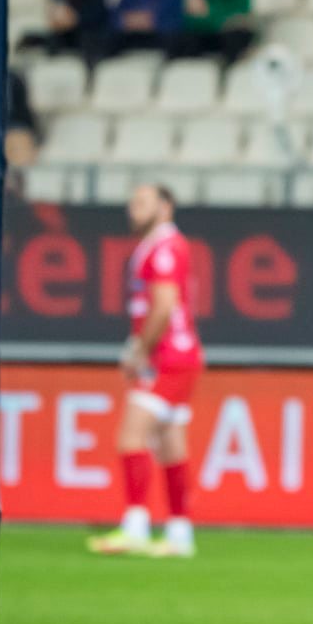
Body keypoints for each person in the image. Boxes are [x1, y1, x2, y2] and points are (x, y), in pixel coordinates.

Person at [88, 184, 203, 558]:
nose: (133, 210)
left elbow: (164, 305)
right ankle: (179, 533)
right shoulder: (160, 245)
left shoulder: (164, 247)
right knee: (171, 443)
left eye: (141, 203)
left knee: (131, 438)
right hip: (182, 356)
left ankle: (136, 526)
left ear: (165, 207)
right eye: (131, 203)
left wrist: (138, 351)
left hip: (166, 357)